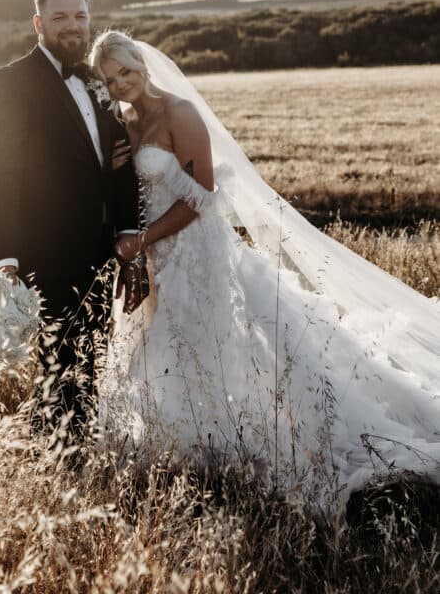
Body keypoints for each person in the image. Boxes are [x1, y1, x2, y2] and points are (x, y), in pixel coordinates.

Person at [90, 30, 440, 513]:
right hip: (151, 256)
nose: (122, 84)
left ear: (143, 65)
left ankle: (230, 433)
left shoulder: (179, 113)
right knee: (161, 344)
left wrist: (144, 240)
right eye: (111, 80)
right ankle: (183, 440)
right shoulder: (124, 120)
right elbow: (132, 190)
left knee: (213, 338)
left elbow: (201, 198)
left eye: (127, 72)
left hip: (193, 249)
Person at [0, 0, 139, 431]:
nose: (73, 26)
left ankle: (75, 454)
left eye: (81, 16)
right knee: (58, 363)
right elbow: (4, 175)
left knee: (91, 361)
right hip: (45, 252)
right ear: (39, 23)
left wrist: (128, 235)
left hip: (101, 250)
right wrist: (7, 259)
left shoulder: (94, 80)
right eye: (60, 17)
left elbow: (120, 164)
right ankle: (53, 462)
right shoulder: (11, 82)